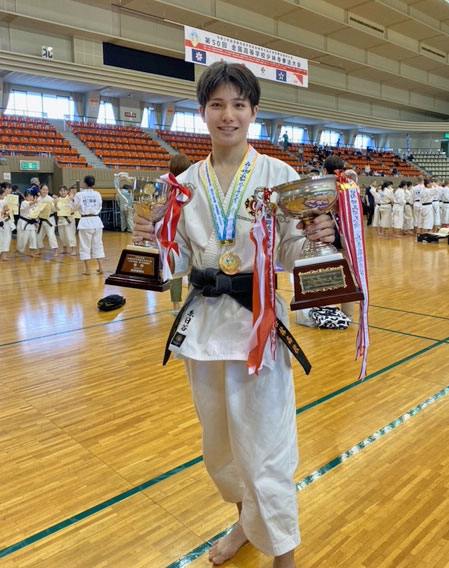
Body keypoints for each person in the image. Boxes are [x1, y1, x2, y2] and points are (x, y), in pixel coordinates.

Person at [133, 62, 335, 568]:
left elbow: (288, 252)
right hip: (204, 328)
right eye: (217, 105)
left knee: (266, 449)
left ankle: (284, 556)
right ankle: (244, 524)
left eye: (238, 105)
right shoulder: (182, 184)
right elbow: (177, 261)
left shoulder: (279, 176)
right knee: (221, 451)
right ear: (202, 112)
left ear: (254, 112)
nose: (228, 115)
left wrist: (316, 239)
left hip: (258, 326)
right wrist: (149, 240)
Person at [167, 154, 192, 315]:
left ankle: (176, 307)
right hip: (190, 233)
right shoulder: (192, 187)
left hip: (172, 234)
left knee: (175, 270)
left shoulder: (168, 187)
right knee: (193, 270)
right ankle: (190, 304)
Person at [71, 175, 105, 275]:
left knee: (85, 245)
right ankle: (101, 267)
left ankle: (88, 270)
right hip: (97, 221)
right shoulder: (97, 194)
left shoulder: (79, 195)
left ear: (84, 184)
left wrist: (71, 199)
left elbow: (73, 208)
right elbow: (100, 206)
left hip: (85, 222)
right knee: (98, 244)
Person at [36, 184, 59, 258]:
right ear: (40, 190)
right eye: (43, 189)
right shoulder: (38, 199)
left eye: (46, 190)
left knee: (51, 235)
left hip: (49, 220)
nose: (45, 191)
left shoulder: (50, 199)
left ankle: (55, 249)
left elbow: (55, 210)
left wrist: (55, 204)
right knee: (38, 236)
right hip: (41, 220)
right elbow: (36, 210)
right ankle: (40, 249)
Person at [16, 191, 39, 256]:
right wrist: (33, 203)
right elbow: (27, 207)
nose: (30, 197)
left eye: (31, 196)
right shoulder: (24, 203)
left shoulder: (35, 205)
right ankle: (18, 250)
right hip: (24, 223)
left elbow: (36, 214)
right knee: (23, 239)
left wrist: (36, 221)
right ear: (25, 197)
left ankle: (32, 252)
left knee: (33, 238)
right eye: (28, 196)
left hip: (31, 224)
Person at [56, 185, 77, 255]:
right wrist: (55, 203)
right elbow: (56, 209)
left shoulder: (70, 198)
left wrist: (72, 199)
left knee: (70, 234)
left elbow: (75, 207)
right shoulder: (58, 199)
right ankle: (64, 249)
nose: (63, 192)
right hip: (61, 219)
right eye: (61, 191)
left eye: (64, 191)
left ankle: (73, 250)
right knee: (62, 235)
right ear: (59, 192)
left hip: (69, 219)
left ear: (67, 191)